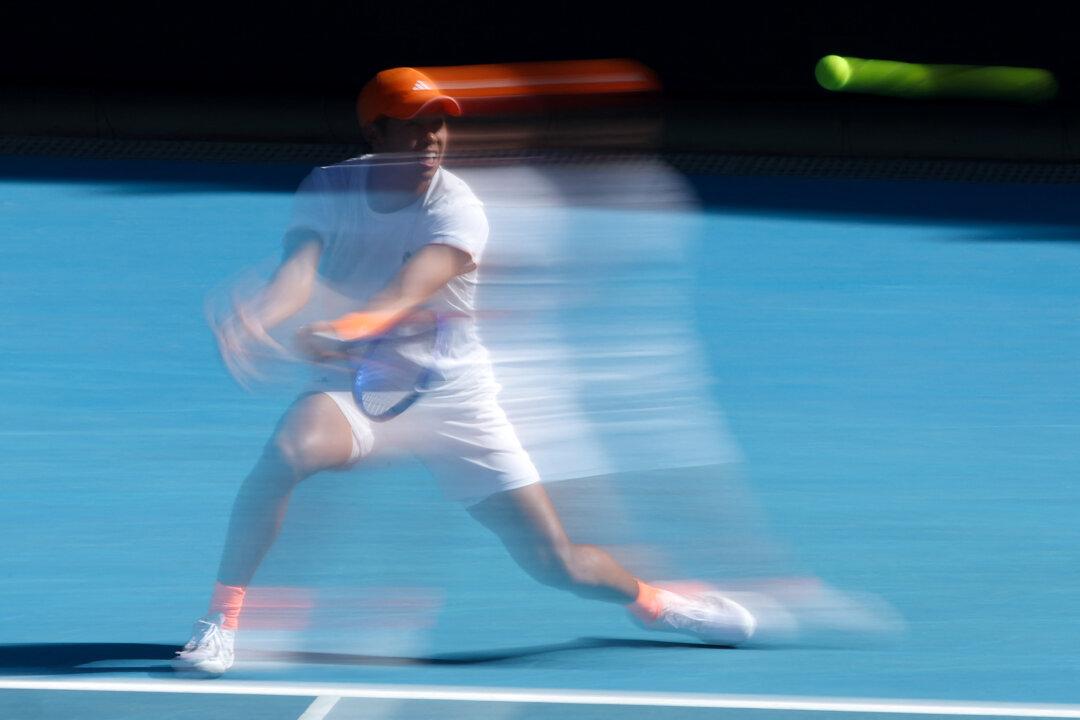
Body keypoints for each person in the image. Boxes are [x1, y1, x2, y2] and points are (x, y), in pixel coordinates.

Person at [173, 67, 757, 676]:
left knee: (554, 561)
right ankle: (221, 623)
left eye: (439, 126)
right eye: (414, 128)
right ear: (376, 131)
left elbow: (404, 294)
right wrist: (256, 316)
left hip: (452, 397)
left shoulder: (457, 207)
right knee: (285, 456)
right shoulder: (330, 187)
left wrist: (343, 330)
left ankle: (661, 604)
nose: (432, 141)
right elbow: (296, 275)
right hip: (357, 386)